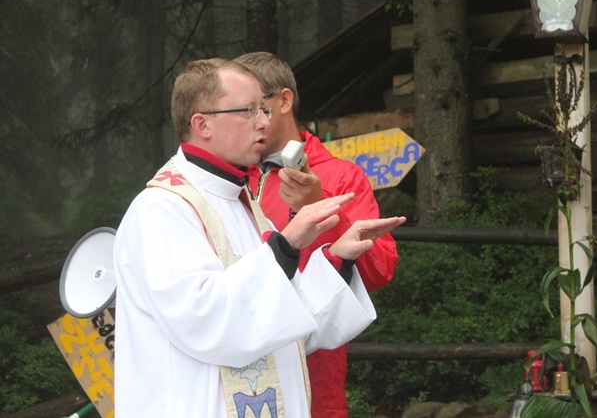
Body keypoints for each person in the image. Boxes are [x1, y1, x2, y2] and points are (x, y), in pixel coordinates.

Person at [112, 58, 406, 417]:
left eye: (263, 109)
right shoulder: (162, 210)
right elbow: (206, 319)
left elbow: (287, 326)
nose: (265, 121)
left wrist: (337, 260)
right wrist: (285, 246)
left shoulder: (239, 201)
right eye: (248, 110)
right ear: (202, 124)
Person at [235, 52, 399, 418]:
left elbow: (379, 271)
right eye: (237, 111)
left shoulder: (340, 176)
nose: (246, 121)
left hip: (313, 380)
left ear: (283, 100)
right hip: (236, 372)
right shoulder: (230, 178)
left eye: (252, 108)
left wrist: (321, 205)